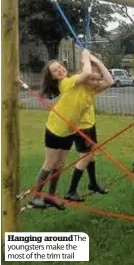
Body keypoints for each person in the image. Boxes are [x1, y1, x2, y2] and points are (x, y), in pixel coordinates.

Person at [30, 49, 94, 209]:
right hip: (55, 130)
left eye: (60, 67)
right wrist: (85, 57)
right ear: (52, 76)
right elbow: (86, 73)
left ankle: (50, 196)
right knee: (50, 163)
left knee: (59, 165)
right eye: (55, 70)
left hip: (69, 131)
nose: (59, 70)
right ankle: (35, 196)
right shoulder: (65, 82)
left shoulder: (71, 80)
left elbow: (85, 78)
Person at [64, 55, 114, 202]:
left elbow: (110, 80)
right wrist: (86, 58)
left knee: (91, 155)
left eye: (97, 79)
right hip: (80, 128)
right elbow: (85, 73)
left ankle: (92, 183)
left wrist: (98, 61)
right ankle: (71, 191)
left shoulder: (93, 89)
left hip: (90, 126)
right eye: (92, 78)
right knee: (85, 158)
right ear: (84, 77)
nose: (96, 82)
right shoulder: (77, 85)